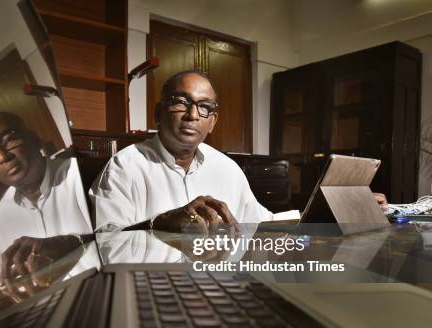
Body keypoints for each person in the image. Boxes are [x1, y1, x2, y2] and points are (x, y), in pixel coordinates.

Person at [89, 70, 387, 233]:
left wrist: (330, 214)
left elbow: (261, 224)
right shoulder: (124, 167)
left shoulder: (226, 168)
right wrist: (158, 224)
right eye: (180, 102)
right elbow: (102, 242)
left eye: (204, 108)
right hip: (153, 289)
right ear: (158, 112)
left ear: (213, 122)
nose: (193, 115)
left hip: (221, 287)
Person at [0, 112, 92, 296]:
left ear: (35, 139)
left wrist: (74, 245)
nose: (3, 156)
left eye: (8, 140)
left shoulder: (82, 175)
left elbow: (130, 235)